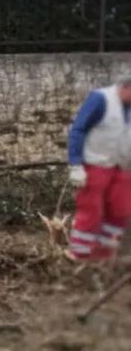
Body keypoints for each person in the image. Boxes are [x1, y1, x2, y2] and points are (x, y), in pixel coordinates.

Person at [65, 79, 131, 262]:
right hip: (95, 164)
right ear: (126, 87)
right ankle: (78, 254)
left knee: (121, 210)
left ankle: (104, 253)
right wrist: (76, 165)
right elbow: (78, 130)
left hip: (122, 166)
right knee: (91, 210)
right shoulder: (101, 99)